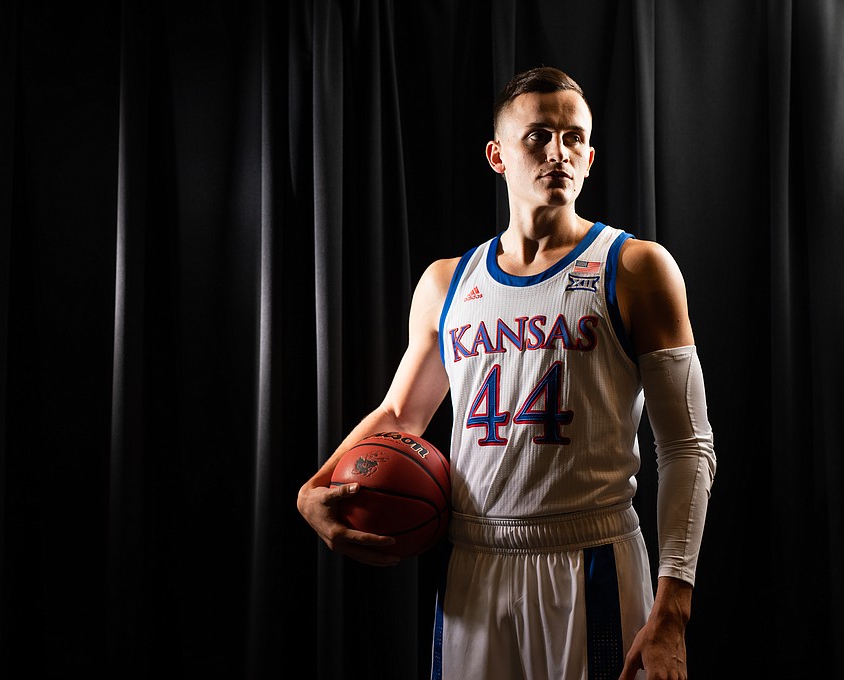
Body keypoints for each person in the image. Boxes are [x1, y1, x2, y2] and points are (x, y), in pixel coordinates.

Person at [297, 66, 716, 680]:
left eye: (573, 138)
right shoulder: (448, 282)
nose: (558, 153)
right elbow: (399, 416)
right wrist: (314, 490)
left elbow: (688, 445)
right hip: (474, 563)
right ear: (497, 155)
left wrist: (673, 609)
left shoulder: (634, 268)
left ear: (591, 156)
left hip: (591, 558)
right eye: (537, 136)